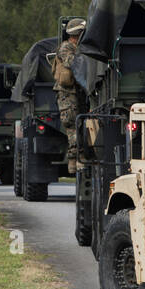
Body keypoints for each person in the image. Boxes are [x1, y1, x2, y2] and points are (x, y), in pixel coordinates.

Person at [53, 18, 86, 174]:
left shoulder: (77, 47)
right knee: (73, 125)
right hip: (67, 94)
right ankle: (75, 159)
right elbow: (72, 62)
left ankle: (78, 159)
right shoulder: (66, 47)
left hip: (78, 93)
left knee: (80, 125)